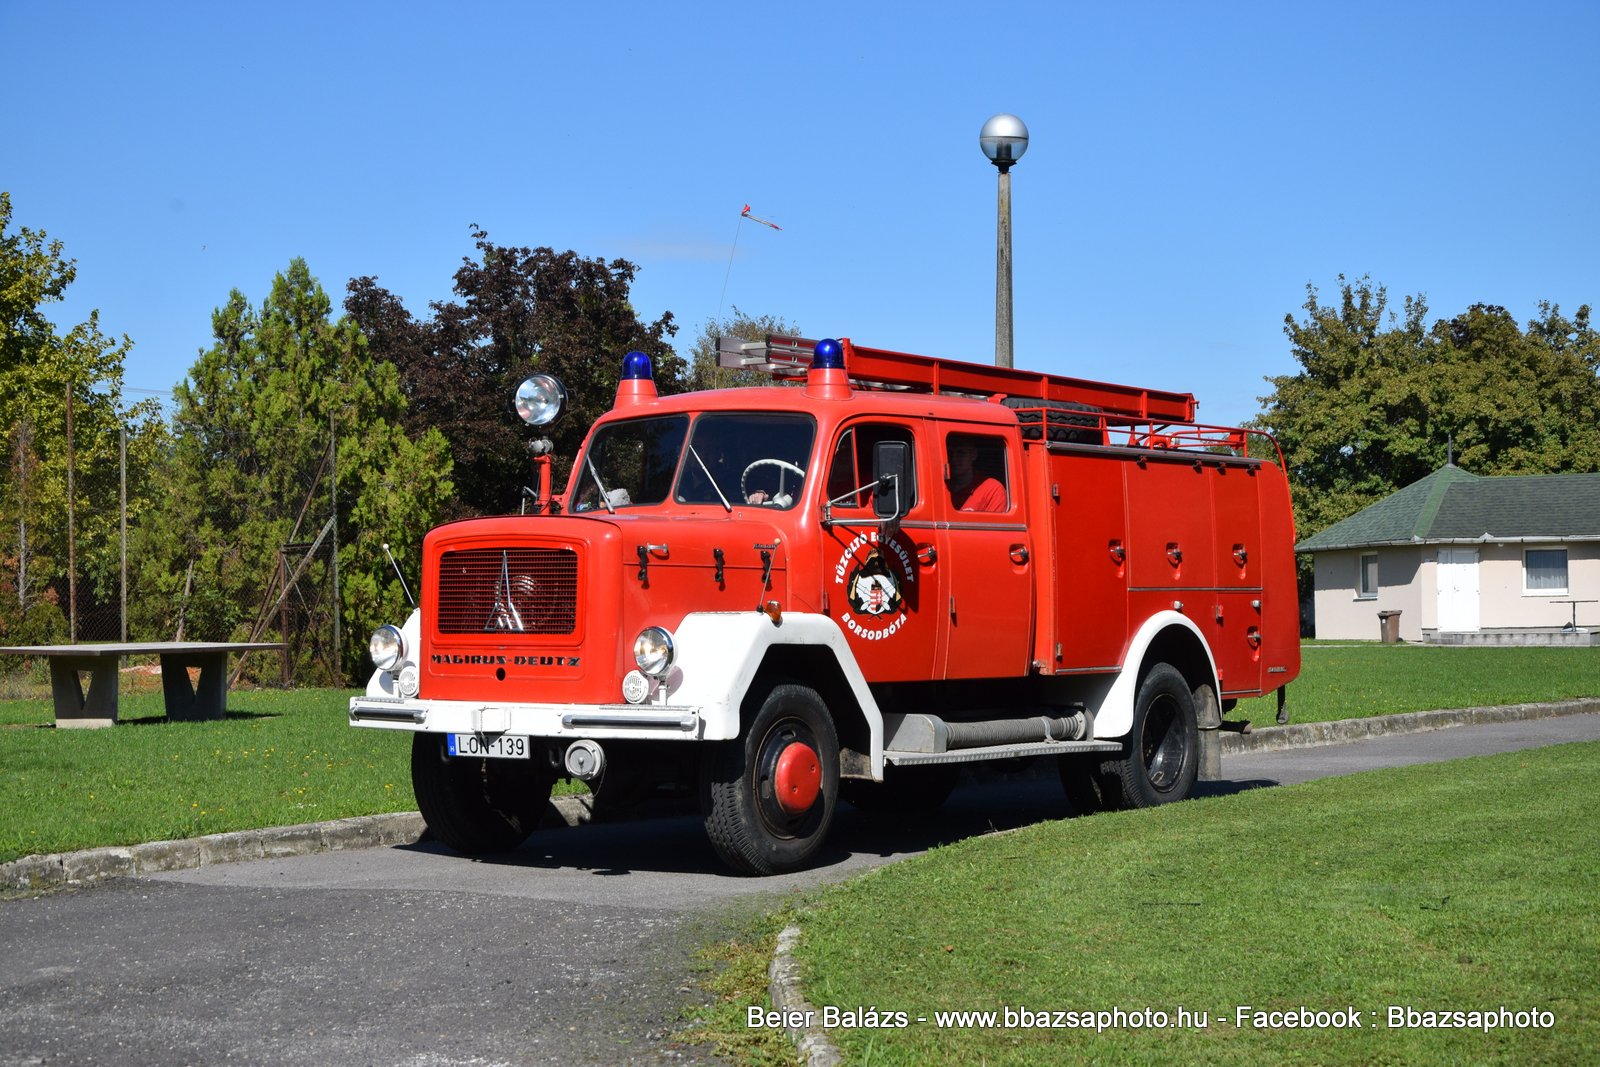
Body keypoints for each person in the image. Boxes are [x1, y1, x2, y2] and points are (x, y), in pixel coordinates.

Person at [947, 438, 1006, 512]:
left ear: (973, 455)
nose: (953, 459)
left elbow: (993, 523)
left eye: (961, 453)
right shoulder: (936, 487)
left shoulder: (991, 489)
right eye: (949, 452)